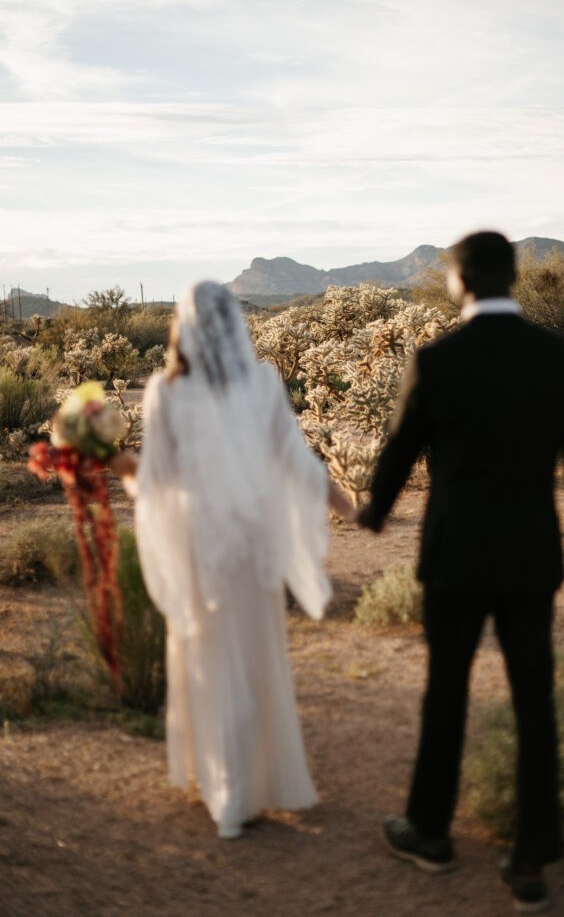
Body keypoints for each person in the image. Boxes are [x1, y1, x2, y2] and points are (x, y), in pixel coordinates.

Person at [358, 230, 564, 913]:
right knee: (533, 701)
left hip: (455, 555)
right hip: (530, 554)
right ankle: (529, 859)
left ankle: (429, 831)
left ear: (460, 282)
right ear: (513, 279)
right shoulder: (560, 360)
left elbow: (401, 446)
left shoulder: (436, 360)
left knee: (446, 692)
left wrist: (374, 511)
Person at [110, 281, 355, 839]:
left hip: (200, 543)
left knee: (210, 659)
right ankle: (252, 783)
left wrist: (115, 462)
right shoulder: (263, 382)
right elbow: (295, 460)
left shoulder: (165, 390)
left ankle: (230, 794)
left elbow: (160, 479)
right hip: (252, 542)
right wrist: (347, 505)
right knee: (254, 655)